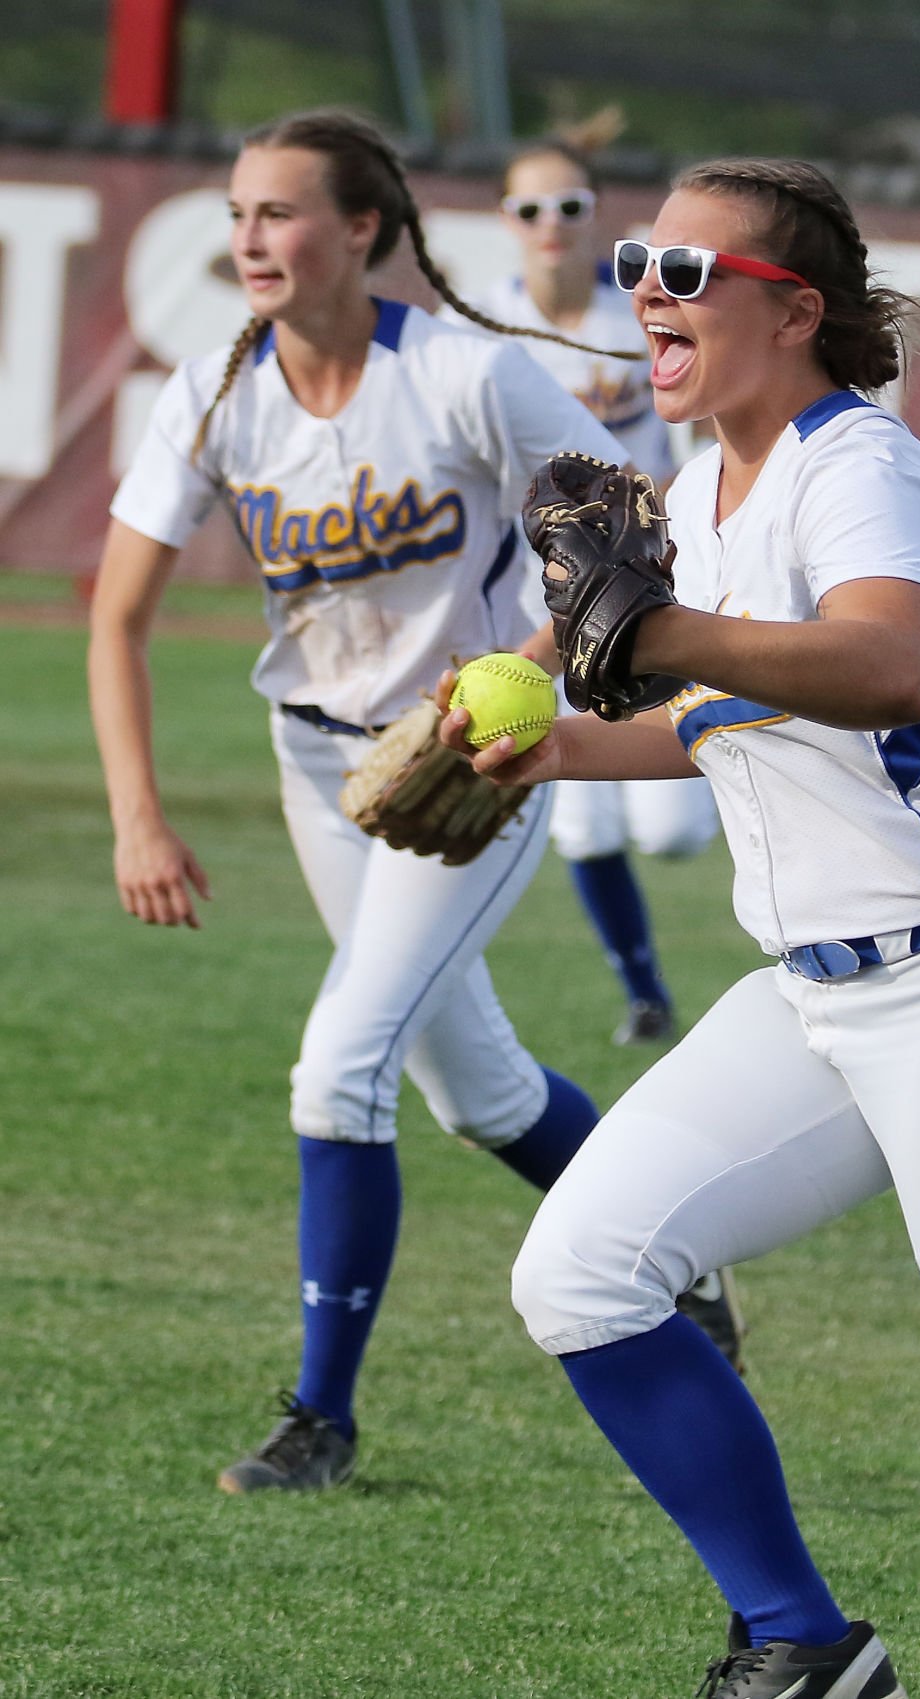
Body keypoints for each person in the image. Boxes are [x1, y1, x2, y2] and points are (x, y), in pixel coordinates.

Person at [442, 156, 920, 1696]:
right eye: (640, 264)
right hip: (809, 1002)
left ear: (791, 311)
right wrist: (560, 744)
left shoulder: (855, 462)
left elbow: (881, 672)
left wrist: (653, 632)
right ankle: (803, 1646)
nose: (647, 292)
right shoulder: (705, 498)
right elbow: (728, 714)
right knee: (581, 1272)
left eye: (687, 272)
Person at [87, 107, 743, 1499]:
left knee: (341, 1063)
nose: (252, 238)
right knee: (477, 1086)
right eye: (238, 215)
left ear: (363, 230)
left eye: (281, 212)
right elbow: (117, 617)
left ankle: (319, 1416)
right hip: (319, 764)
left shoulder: (459, 372)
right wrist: (137, 814)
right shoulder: (212, 388)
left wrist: (526, 666)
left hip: (476, 752)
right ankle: (683, 1264)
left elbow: (619, 521)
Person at [466, 120, 720, 1049]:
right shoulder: (479, 327)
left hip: (646, 594)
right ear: (505, 217)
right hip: (539, 604)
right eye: (529, 206)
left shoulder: (639, 319)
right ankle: (646, 995)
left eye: (569, 205)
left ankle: (757, 768)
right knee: (584, 827)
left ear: (595, 215)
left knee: (675, 833)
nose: (550, 223)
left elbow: (695, 452)